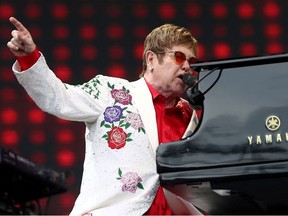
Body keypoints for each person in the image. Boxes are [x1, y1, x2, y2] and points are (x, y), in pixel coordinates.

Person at [7, 16, 200, 215]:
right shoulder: (111, 91)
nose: (187, 66)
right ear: (151, 59)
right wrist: (29, 57)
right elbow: (60, 98)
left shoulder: (193, 117)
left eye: (192, 61)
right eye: (178, 57)